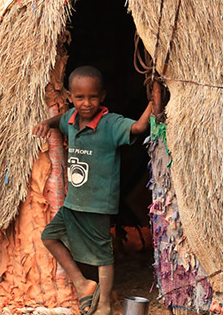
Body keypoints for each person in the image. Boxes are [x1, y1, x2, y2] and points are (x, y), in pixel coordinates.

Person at [32, 66, 153, 315]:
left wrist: (154, 99)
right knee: (49, 237)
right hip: (73, 202)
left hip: (97, 203)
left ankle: (105, 304)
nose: (86, 103)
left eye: (93, 97)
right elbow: (61, 119)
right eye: (80, 97)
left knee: (102, 255)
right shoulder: (71, 120)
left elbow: (140, 128)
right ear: (70, 98)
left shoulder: (111, 124)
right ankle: (82, 283)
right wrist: (47, 122)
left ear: (103, 96)